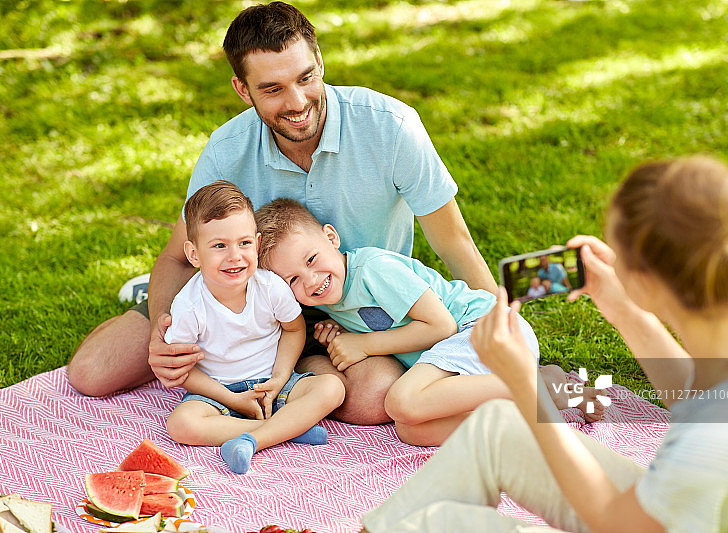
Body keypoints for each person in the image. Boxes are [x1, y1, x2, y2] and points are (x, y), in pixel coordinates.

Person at [67, 2, 497, 427]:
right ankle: (207, 324)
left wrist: (498, 328)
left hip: (353, 310)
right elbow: (179, 257)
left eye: (305, 78)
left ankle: (294, 364)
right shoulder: (227, 150)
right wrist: (164, 327)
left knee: (373, 399)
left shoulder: (391, 127)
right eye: (272, 89)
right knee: (92, 373)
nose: (297, 102)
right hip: (244, 297)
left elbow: (452, 240)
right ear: (243, 89)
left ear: (320, 62)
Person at [360, 156, 728, 532]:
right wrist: (619, 306)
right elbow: (702, 396)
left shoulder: (709, 447)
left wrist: (526, 385)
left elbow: (615, 520)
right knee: (496, 426)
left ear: (647, 279)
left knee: (442, 524)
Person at [254, 198, 603, 446]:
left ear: (332, 238)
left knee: (401, 402)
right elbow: (381, 322)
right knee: (411, 430)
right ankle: (542, 400)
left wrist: (364, 344)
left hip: (483, 330)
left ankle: (536, 389)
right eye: (292, 281)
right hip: (463, 360)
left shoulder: (373, 270)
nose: (311, 280)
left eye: (312, 259)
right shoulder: (333, 297)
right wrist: (342, 333)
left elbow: (442, 326)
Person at [161, 181, 344, 474]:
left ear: (257, 244)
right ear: (194, 254)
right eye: (219, 246)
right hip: (218, 393)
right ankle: (284, 428)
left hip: (275, 385)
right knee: (181, 424)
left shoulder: (270, 287)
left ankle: (254, 437)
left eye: (244, 243)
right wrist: (232, 399)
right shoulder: (189, 305)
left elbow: (294, 329)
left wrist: (279, 377)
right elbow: (183, 370)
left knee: (331, 387)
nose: (235, 256)